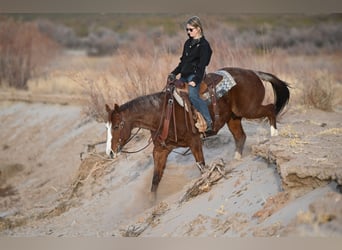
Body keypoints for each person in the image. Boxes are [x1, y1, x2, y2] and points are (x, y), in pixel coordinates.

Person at [168, 16, 213, 133]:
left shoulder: (204, 45)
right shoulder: (188, 43)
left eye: (191, 29)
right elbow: (183, 62)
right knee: (171, 93)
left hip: (196, 75)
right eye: (187, 30)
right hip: (185, 75)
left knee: (193, 96)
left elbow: (202, 65)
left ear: (198, 28)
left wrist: (196, 80)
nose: (188, 32)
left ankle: (209, 121)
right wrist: (174, 73)